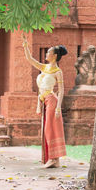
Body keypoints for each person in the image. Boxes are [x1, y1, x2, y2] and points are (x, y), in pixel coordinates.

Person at [22, 34, 67, 168]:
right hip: (45, 101)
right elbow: (30, 59)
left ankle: (53, 158)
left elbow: (62, 90)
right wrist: (25, 45)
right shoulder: (44, 68)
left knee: (49, 129)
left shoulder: (57, 71)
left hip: (52, 101)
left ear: (54, 56)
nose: (46, 54)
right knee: (46, 129)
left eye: (48, 52)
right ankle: (54, 160)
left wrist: (59, 107)